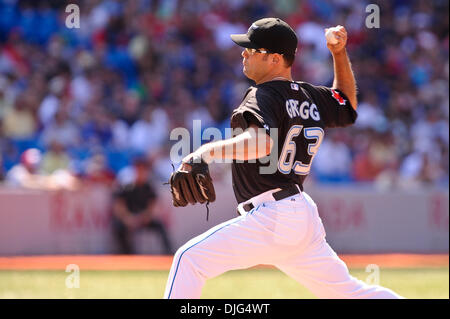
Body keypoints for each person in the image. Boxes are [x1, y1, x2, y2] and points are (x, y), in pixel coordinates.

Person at [164, 18, 402, 299]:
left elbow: (261, 142)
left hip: (272, 215)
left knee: (188, 259)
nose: (244, 53)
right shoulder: (311, 96)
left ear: (275, 59)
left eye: (253, 49)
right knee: (351, 293)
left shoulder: (261, 94)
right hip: (299, 213)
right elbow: (347, 104)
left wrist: (204, 152)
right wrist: (339, 53)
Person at [112, 157, 173, 254]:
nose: (141, 173)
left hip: (144, 218)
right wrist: (127, 218)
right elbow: (119, 206)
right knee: (118, 227)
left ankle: (169, 253)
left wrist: (145, 217)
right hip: (129, 218)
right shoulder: (126, 187)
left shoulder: (148, 187)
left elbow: (153, 206)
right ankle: (127, 254)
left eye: (143, 170)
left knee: (160, 227)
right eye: (138, 170)